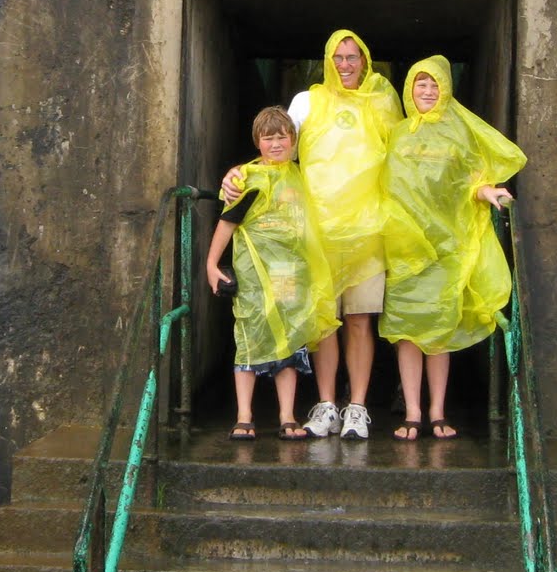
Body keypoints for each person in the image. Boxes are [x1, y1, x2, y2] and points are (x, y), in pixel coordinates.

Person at [224, 29, 404, 439]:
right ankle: (326, 405)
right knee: (323, 322)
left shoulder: (381, 102)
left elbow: (402, 156)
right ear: (327, 59)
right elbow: (280, 148)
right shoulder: (308, 101)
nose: (345, 64)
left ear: (365, 60)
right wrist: (241, 172)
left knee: (359, 320)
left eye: (352, 57)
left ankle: (356, 407)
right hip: (315, 230)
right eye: (338, 57)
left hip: (367, 230)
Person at [379, 55, 526, 441]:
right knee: (407, 332)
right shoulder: (397, 134)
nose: (427, 91)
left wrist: (488, 190)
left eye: (434, 84)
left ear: (445, 89)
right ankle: (412, 413)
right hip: (405, 248)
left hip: (445, 247)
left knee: (440, 328)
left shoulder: (458, 134)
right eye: (420, 84)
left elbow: (469, 181)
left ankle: (437, 411)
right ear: (409, 89)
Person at [204, 106, 338, 441]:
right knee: (249, 335)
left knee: (288, 337)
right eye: (269, 138)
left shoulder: (302, 176)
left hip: (288, 270)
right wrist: (211, 264)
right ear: (257, 142)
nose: (276, 144)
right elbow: (228, 221)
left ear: (294, 140)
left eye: (283, 137)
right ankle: (245, 415)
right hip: (253, 271)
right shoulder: (248, 178)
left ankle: (287, 415)